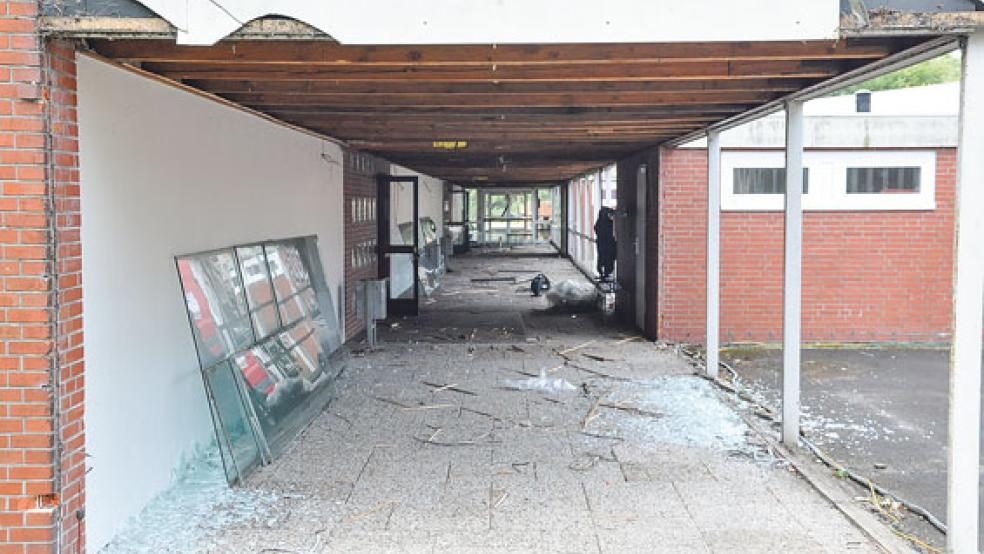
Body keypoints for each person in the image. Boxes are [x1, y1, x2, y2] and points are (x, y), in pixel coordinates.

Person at [594, 207, 617, 281]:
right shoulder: (607, 224)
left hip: (603, 245)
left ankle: (603, 273)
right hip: (607, 245)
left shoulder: (600, 223)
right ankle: (605, 273)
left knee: (602, 258)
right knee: (606, 259)